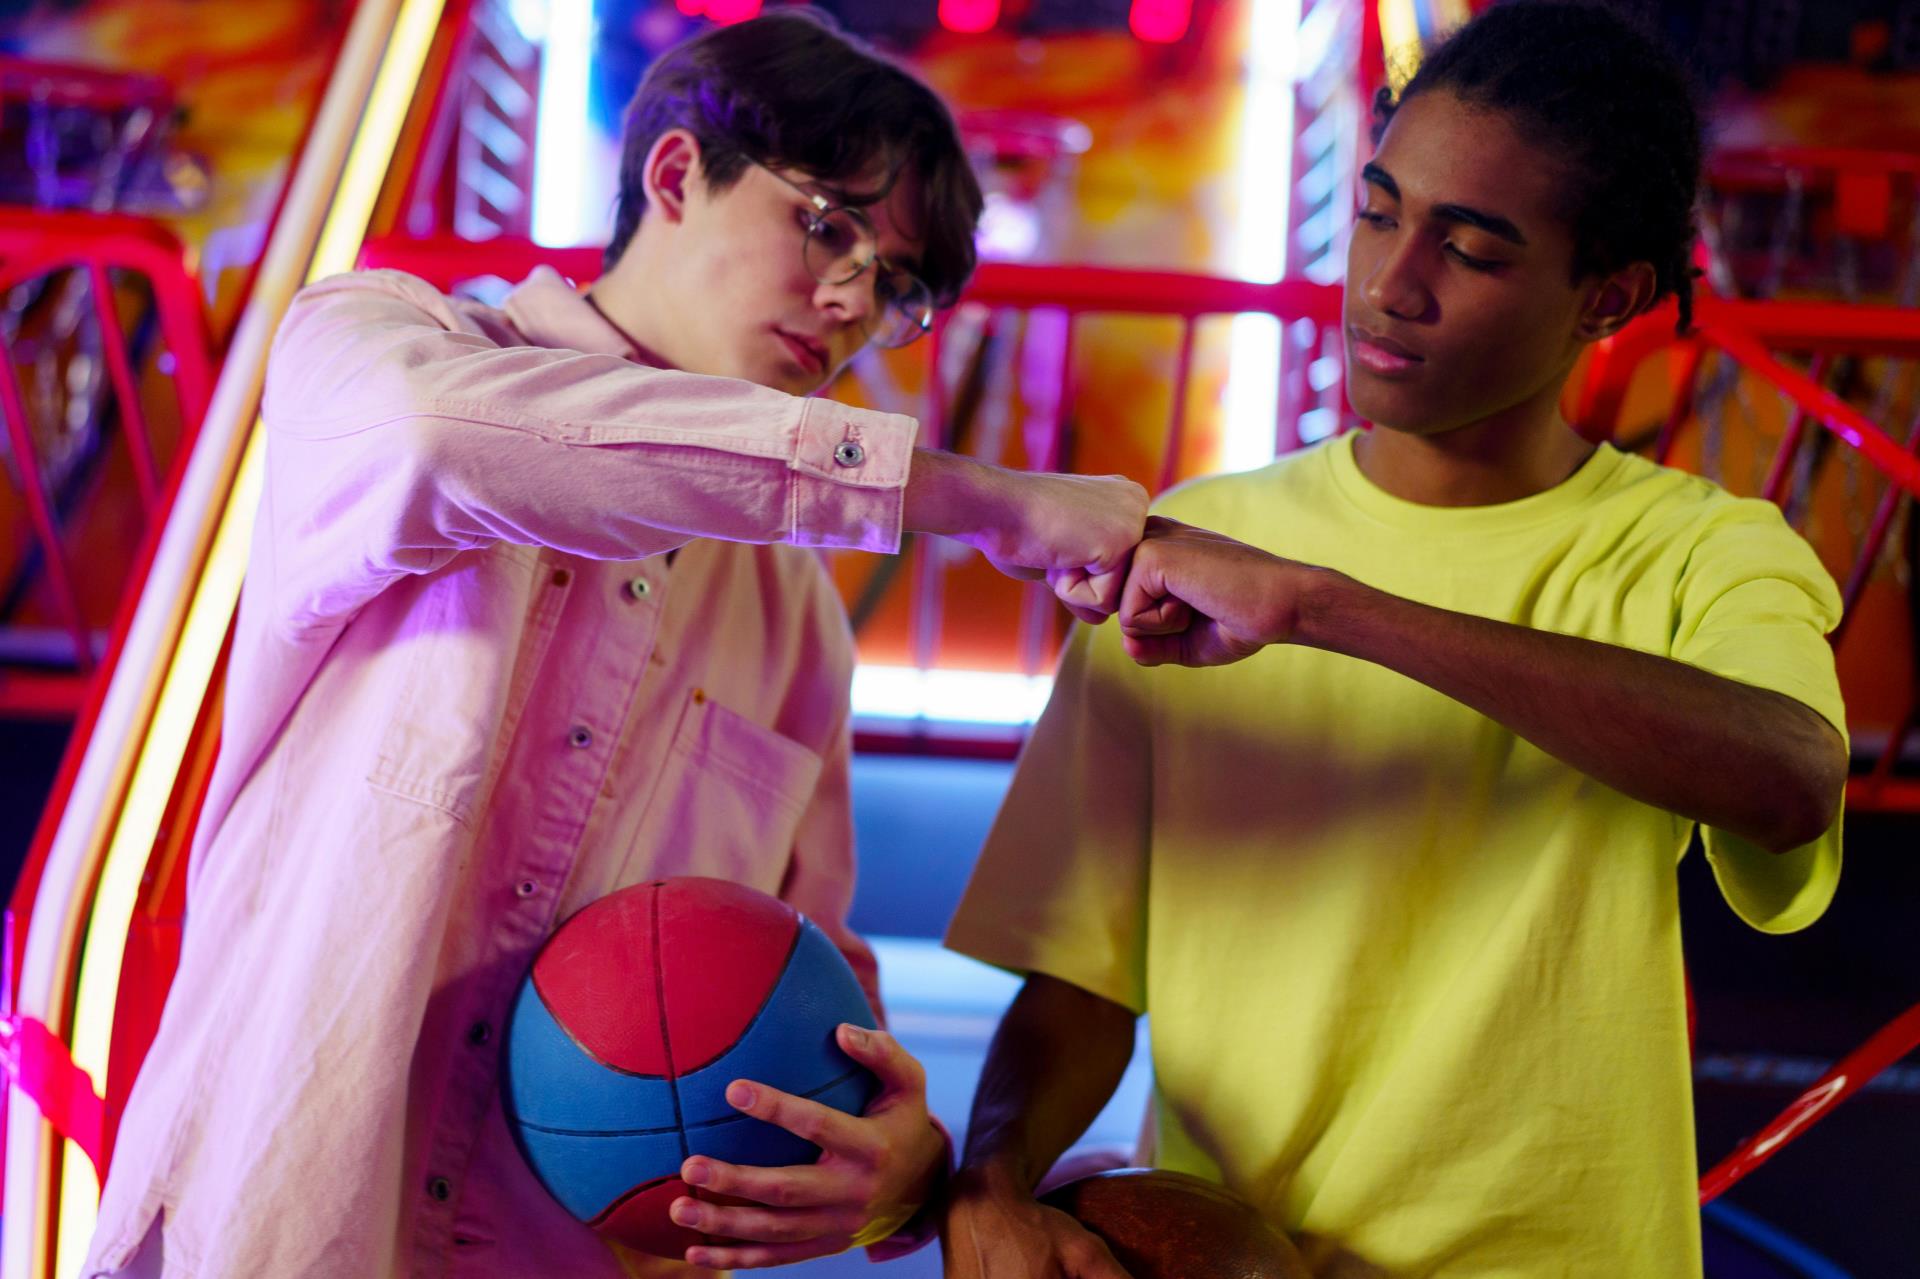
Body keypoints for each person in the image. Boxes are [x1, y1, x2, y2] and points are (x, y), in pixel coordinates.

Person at [84, 12, 1147, 1279]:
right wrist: (988, 498)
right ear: (674, 174)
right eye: (828, 224)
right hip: (279, 1220)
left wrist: (893, 1160)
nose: (858, 298)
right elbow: (438, 444)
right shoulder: (378, 343)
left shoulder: (794, 613)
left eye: (899, 282)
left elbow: (801, 960)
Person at [941, 4, 1848, 1276]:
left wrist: (1329, 607)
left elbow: (1791, 779)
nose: (1389, 281)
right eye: (1378, 213)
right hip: (1227, 1250)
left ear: (1612, 297)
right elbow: (1082, 969)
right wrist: (990, 1183)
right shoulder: (1202, 540)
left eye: (1470, 249)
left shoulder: (1703, 550)